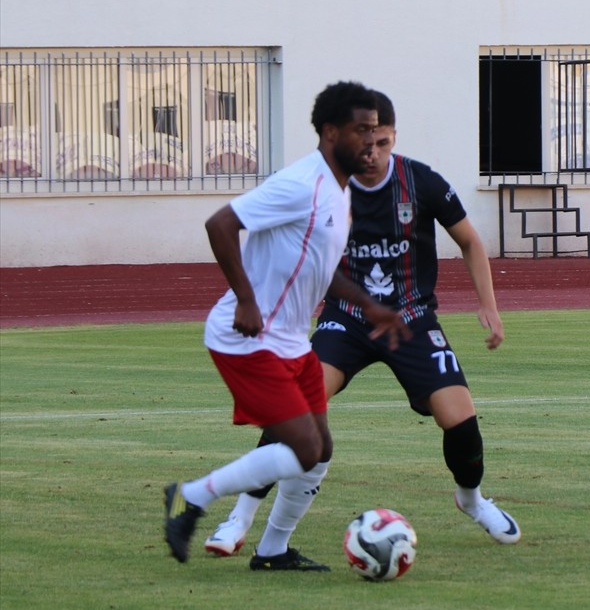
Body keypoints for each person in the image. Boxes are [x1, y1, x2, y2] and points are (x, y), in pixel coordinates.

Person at [202, 91, 519, 556]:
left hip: (410, 318)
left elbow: (470, 241)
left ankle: (471, 500)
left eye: (383, 142)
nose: (373, 153)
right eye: (367, 141)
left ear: (393, 138)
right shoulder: (325, 186)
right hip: (347, 320)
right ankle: (239, 517)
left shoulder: (421, 182)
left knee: (461, 420)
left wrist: (488, 305)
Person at [164, 81, 410, 571]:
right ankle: (188, 497)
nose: (370, 142)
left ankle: (273, 551)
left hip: (291, 340)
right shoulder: (301, 183)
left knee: (320, 451)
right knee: (301, 448)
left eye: (378, 132)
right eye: (361, 131)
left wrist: (369, 306)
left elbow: (323, 269)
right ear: (329, 131)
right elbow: (220, 224)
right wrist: (247, 300)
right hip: (247, 338)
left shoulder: (340, 194)